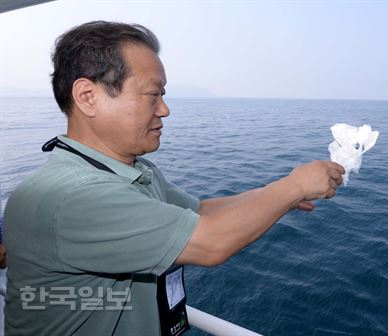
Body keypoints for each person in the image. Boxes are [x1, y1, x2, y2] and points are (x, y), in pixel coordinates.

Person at [3, 21, 344, 336]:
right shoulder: (71, 195)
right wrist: (294, 185)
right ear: (88, 97)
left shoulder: (132, 171)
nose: (164, 110)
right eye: (153, 94)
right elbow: (210, 242)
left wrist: (280, 195)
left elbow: (200, 212)